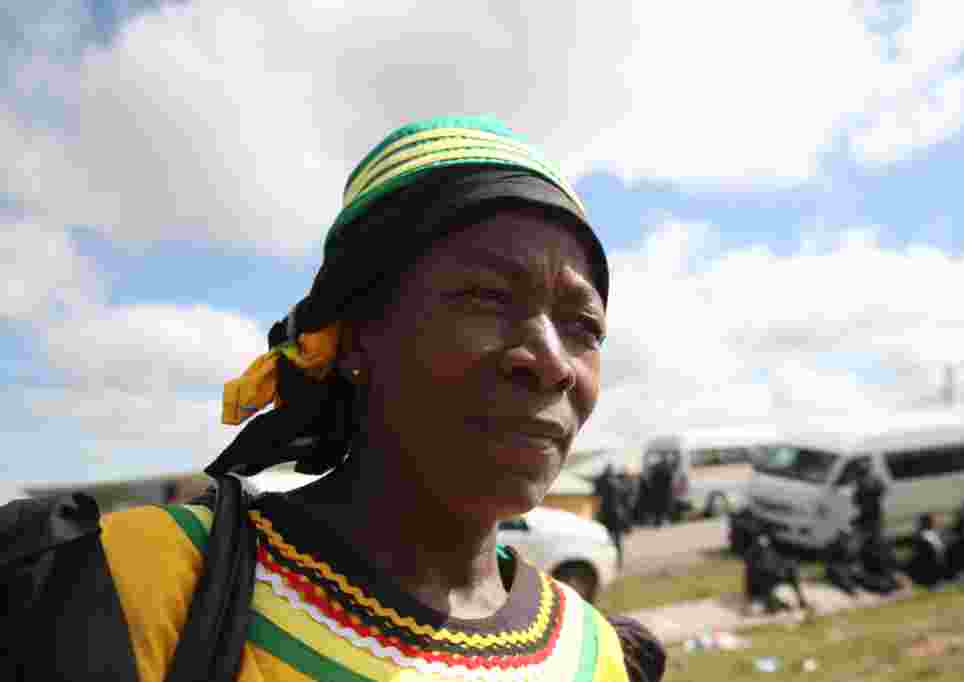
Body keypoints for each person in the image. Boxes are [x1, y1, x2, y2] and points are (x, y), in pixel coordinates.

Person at [4, 117, 658, 681]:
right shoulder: (128, 586)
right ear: (351, 340)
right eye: (486, 298)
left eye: (583, 327)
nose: (550, 363)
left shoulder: (590, 650)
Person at [743, 531, 809, 614]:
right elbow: (752, 568)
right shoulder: (754, 552)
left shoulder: (775, 551)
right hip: (757, 590)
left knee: (789, 570)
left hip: (770, 578)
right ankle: (773, 604)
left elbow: (780, 564)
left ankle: (797, 601)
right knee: (763, 605)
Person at [595, 465, 630, 568]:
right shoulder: (618, 484)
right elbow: (625, 500)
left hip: (607, 515)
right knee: (617, 541)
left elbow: (597, 493)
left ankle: (609, 562)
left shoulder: (603, 483)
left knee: (606, 540)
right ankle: (618, 562)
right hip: (617, 515)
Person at [904, 513, 949, 589]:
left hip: (929, 572)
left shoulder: (923, 536)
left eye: (919, 523)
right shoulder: (935, 536)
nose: (917, 525)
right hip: (938, 572)